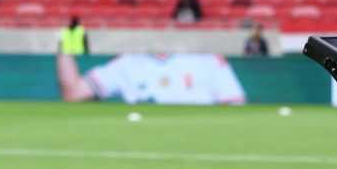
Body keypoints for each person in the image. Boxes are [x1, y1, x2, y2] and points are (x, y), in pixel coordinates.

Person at [56, 52, 246, 104]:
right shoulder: (128, 62)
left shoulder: (207, 58)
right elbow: (74, 93)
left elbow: (233, 104)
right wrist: (64, 46)